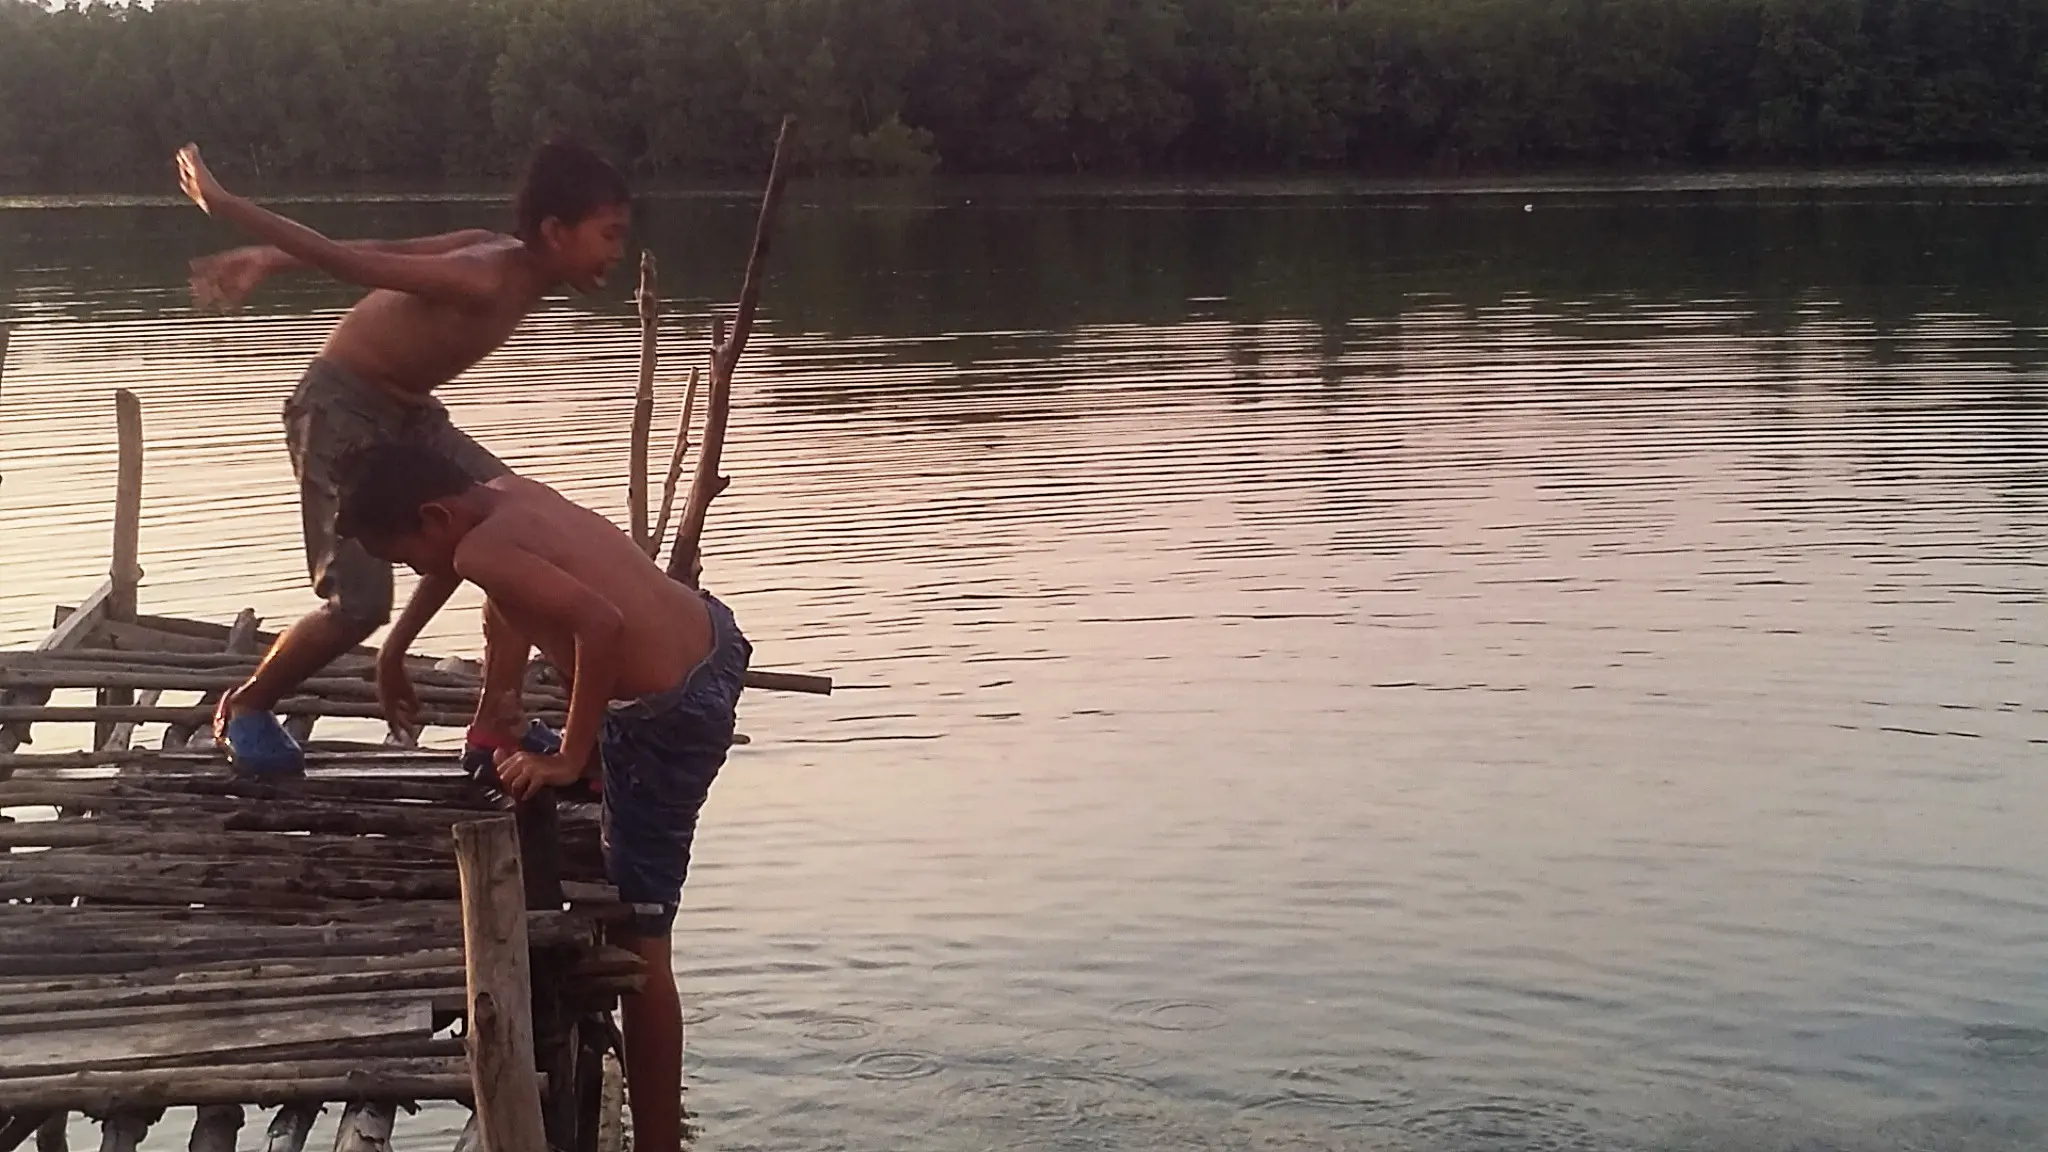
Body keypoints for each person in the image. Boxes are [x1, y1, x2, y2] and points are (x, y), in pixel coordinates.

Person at [333, 441, 746, 1152]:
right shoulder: (503, 494)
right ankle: (508, 720)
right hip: (711, 635)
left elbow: (600, 626)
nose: (413, 572)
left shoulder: (476, 550)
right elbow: (455, 565)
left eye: (404, 555)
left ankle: (659, 1145)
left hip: (665, 719)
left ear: (434, 513)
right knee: (505, 595)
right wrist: (395, 647)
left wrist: (568, 759)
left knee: (641, 937)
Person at [171, 137, 631, 772]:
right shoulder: (484, 274)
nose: (617, 253)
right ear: (556, 231)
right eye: (609, 235)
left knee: (520, 519)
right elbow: (344, 262)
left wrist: (271, 260)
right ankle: (247, 705)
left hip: (409, 412)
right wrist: (227, 205)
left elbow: (381, 252)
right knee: (359, 604)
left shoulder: (496, 254)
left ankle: (496, 721)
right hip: (339, 410)